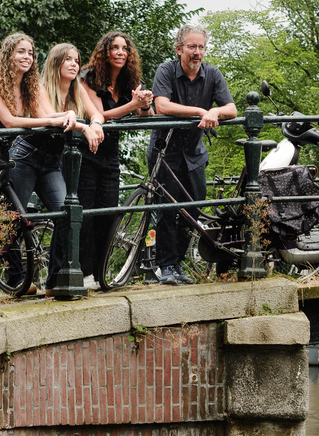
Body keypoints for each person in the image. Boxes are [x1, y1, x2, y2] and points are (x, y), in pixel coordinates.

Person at [0, 32, 94, 296]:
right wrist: (55, 120)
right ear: (8, 54)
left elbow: (47, 117)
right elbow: (9, 122)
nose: (26, 57)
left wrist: (76, 120)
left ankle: (26, 281)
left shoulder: (29, 89)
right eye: (20, 52)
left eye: (30, 53)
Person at [148, 23, 237, 285]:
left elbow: (231, 108)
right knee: (166, 210)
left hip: (194, 153)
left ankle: (176, 262)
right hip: (165, 151)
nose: (197, 52)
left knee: (194, 208)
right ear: (179, 49)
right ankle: (166, 266)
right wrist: (200, 111)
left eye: (201, 47)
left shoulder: (213, 74)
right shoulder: (165, 70)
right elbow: (161, 105)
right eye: (191, 47)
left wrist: (215, 112)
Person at [79, 31, 155, 287]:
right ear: (105, 51)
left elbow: (148, 115)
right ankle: (84, 272)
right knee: (86, 214)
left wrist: (144, 103)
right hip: (86, 151)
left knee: (108, 214)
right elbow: (100, 115)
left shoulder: (130, 80)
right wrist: (133, 105)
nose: (121, 52)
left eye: (125, 48)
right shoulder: (88, 77)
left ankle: (101, 275)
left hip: (110, 155)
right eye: (115, 48)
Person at [31, 43, 105, 295]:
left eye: (77, 59)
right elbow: (59, 120)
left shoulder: (77, 89)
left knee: (67, 213)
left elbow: (98, 114)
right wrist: (84, 127)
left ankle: (54, 282)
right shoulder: (40, 89)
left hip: (52, 161)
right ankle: (16, 279)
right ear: (56, 63)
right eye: (68, 60)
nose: (74, 64)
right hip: (27, 155)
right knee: (14, 217)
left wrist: (95, 124)